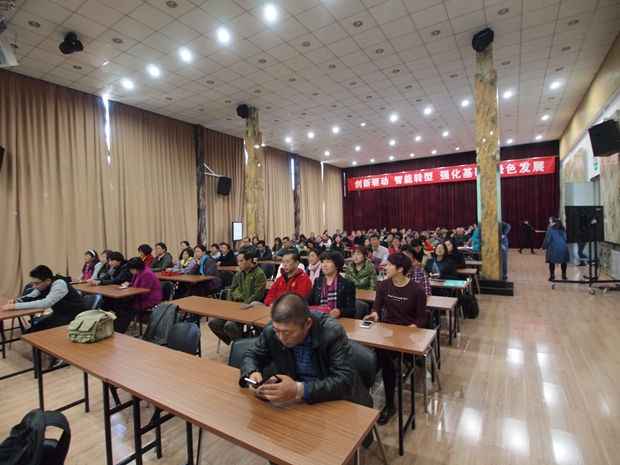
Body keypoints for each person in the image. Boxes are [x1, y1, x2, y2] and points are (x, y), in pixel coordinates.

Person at [239, 293, 373, 450]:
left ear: (308, 323)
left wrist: (298, 389)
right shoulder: (274, 329)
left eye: (288, 332)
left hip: (335, 401)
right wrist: (252, 373)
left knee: (324, 452)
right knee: (275, 446)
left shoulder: (332, 332)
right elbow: (252, 355)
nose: (281, 337)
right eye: (277, 330)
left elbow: (345, 382)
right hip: (297, 403)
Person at [363, 253, 426, 425]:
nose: (385, 267)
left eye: (390, 265)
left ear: (400, 269)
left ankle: (389, 404)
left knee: (383, 360)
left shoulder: (416, 290)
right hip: (386, 332)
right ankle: (367, 393)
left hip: (407, 336)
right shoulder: (384, 285)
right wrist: (374, 314)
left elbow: (421, 318)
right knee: (379, 356)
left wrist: (408, 331)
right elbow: (377, 306)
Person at [2, 265, 85, 332]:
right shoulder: (42, 286)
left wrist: (15, 306)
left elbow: (45, 303)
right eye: (32, 283)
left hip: (73, 315)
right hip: (59, 313)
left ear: (47, 281)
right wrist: (18, 300)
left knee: (41, 334)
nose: (34, 286)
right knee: (31, 332)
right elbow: (32, 295)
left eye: (36, 284)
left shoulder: (59, 284)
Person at [208, 252, 266, 345]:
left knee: (229, 326)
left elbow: (258, 294)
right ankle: (242, 340)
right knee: (213, 323)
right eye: (237, 261)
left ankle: (243, 344)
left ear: (249, 260)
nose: (239, 263)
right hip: (234, 306)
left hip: (248, 308)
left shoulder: (259, 274)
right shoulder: (238, 274)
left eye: (241, 261)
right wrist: (229, 304)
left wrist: (244, 305)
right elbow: (231, 291)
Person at [306, 250, 356, 318]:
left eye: (328, 262)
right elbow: (308, 301)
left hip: (338, 321)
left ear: (337, 266)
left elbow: (351, 310)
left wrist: (340, 311)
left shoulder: (347, 284)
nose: (324, 265)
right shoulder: (318, 281)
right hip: (319, 318)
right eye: (323, 262)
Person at [541, 217, 570, 281]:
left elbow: (547, 240)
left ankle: (552, 275)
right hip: (563, 247)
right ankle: (564, 275)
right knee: (563, 262)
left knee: (552, 262)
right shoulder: (563, 230)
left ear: (554, 223)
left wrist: (543, 247)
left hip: (554, 248)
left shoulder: (551, 230)